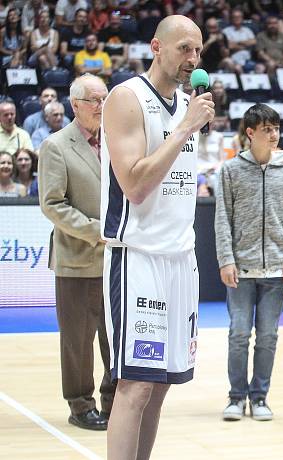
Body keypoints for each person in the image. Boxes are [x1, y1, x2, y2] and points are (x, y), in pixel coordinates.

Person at [100, 15, 214, 460]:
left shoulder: (188, 103)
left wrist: (188, 120)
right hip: (137, 257)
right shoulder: (126, 98)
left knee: (163, 384)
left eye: (198, 50)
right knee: (136, 385)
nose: (193, 59)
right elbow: (134, 184)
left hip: (180, 259)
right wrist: (185, 127)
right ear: (156, 47)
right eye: (184, 48)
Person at [215, 104, 283, 422]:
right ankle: (236, 397)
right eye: (267, 129)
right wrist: (226, 259)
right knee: (239, 333)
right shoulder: (230, 171)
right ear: (250, 133)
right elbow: (222, 219)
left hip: (277, 270)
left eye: (276, 128)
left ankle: (260, 396)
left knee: (268, 336)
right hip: (241, 268)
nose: (274, 134)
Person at [37, 73, 115, 430]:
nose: (102, 107)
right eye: (95, 100)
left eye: (105, 100)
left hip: (117, 259)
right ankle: (81, 405)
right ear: (75, 105)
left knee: (115, 335)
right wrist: (96, 231)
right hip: (77, 259)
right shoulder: (56, 145)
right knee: (77, 340)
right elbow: (53, 204)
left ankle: (114, 400)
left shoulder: (117, 141)